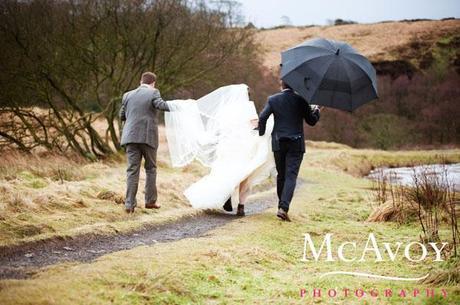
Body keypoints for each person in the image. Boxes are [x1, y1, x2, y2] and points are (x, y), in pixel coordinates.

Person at [164, 84, 274, 216]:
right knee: (244, 174)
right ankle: (241, 206)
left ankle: (225, 195)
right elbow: (254, 124)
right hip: (243, 145)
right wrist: (267, 124)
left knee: (225, 171)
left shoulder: (226, 108)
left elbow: (220, 126)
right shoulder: (248, 106)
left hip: (226, 145)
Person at [258, 80, 320, 221]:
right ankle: (283, 208)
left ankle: (281, 206)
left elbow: (262, 117)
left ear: (282, 86)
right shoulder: (301, 100)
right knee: (291, 176)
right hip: (296, 144)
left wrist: (261, 133)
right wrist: (316, 111)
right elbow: (311, 121)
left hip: (278, 142)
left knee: (281, 175)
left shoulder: (273, 99)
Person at [119, 71, 173, 213]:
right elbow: (161, 105)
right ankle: (150, 201)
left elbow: (122, 115)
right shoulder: (154, 92)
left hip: (130, 137)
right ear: (153, 83)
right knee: (150, 169)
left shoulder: (127, 95)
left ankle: (129, 204)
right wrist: (179, 106)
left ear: (140, 81)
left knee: (132, 170)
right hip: (147, 137)